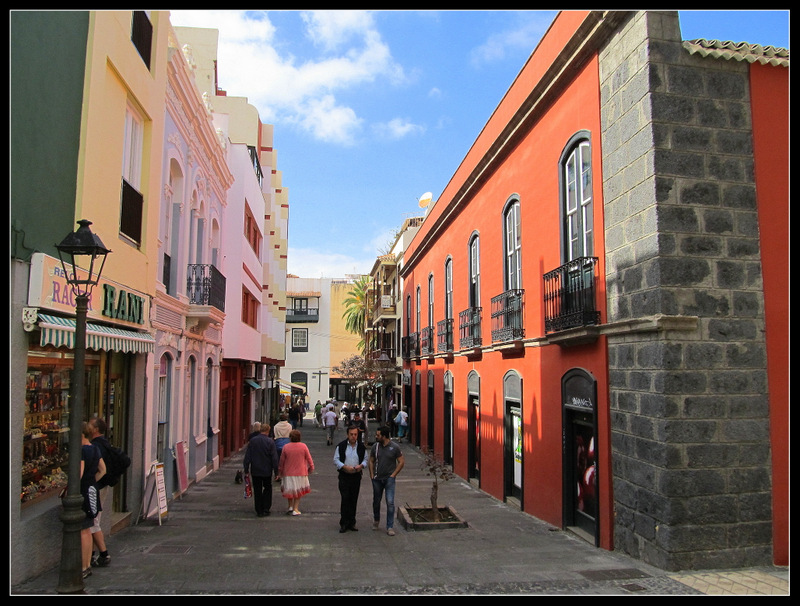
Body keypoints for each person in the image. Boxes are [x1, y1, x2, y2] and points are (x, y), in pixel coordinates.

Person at [86, 417, 113, 568]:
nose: (88, 426)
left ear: (95, 429)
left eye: (90, 424)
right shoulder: (104, 443)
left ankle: (103, 553)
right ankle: (91, 554)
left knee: (93, 521)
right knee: (93, 520)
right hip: (100, 486)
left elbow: (102, 470)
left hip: (97, 487)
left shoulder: (96, 446)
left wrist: (91, 483)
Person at [80, 422, 106, 579]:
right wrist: (93, 481)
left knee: (84, 529)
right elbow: (103, 470)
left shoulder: (82, 451)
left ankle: (84, 566)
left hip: (83, 491)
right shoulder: (94, 449)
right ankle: (87, 564)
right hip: (92, 490)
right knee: (89, 527)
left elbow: (79, 474)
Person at [368, 426, 404, 536]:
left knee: (390, 502)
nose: (376, 436)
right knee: (376, 501)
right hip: (377, 479)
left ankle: (389, 526)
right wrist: (372, 475)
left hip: (389, 479)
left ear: (384, 436)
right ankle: (376, 519)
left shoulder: (395, 447)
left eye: (378, 435)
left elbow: (401, 462)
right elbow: (371, 460)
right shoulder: (376, 447)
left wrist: (393, 475)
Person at [334, 426, 368, 533]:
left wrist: (361, 465)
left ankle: (352, 522)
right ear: (347, 435)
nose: (353, 437)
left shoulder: (361, 447)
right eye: (351, 434)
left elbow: (366, 459)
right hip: (344, 476)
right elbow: (336, 460)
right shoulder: (341, 446)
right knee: (345, 499)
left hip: (356, 476)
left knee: (354, 499)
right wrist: (344, 467)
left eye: (355, 434)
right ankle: (344, 523)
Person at [242, 424, 279, 517]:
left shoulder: (253, 441)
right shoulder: (270, 442)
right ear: (267, 431)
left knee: (257, 489)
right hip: (267, 470)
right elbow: (274, 458)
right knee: (267, 488)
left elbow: (247, 456)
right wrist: (276, 472)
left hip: (255, 469)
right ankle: (266, 508)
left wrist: (246, 469)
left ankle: (259, 509)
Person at [278, 430, 314, 515]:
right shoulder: (303, 446)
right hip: (301, 472)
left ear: (290, 438)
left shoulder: (286, 447)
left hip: (288, 472)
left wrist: (280, 471)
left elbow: (281, 461)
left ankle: (290, 506)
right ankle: (296, 508)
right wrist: (311, 468)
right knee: (298, 492)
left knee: (290, 490)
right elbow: (309, 459)